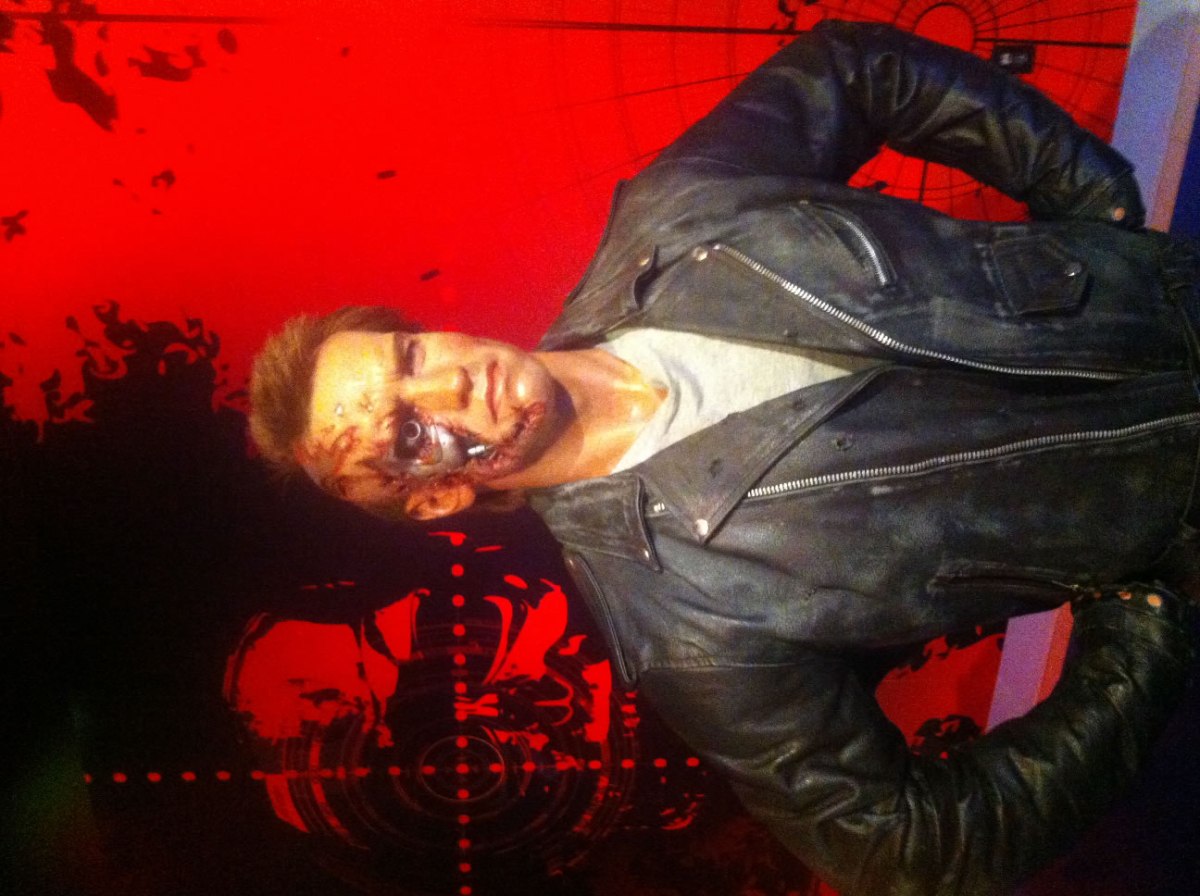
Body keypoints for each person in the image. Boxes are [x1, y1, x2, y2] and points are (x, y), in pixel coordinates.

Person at [248, 20, 1200, 895]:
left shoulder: (675, 219)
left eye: (411, 357)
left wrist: (1084, 193)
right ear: (434, 500)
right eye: (408, 435)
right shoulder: (682, 625)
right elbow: (898, 845)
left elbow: (851, 68)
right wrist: (1141, 634)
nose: (451, 385)